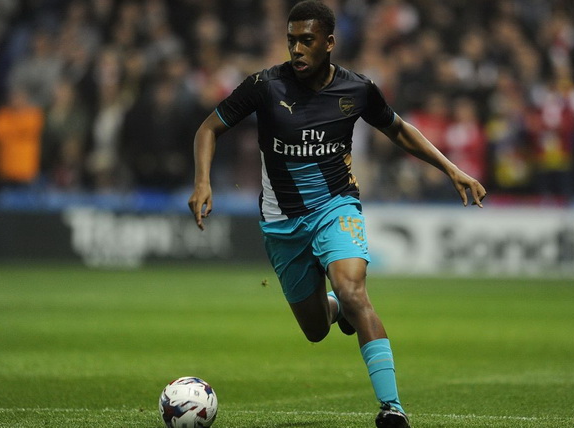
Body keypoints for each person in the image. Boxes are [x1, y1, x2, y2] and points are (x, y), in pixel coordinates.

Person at [187, 2, 486, 427]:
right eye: (291, 40)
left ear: (329, 42)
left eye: (306, 40)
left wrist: (451, 169)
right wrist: (202, 181)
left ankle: (392, 407)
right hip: (282, 223)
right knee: (315, 330)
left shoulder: (357, 89)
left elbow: (398, 129)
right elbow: (208, 128)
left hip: (336, 207)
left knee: (354, 291)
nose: (297, 49)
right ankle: (336, 308)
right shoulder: (265, 86)